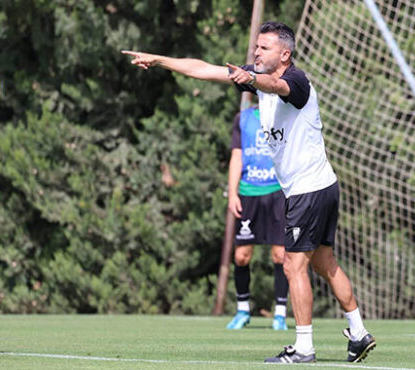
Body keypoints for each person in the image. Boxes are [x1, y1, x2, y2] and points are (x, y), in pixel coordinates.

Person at [123, 21, 375, 363]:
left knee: (292, 266)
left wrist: (254, 80)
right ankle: (358, 333)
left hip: (308, 190)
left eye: (264, 48)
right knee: (324, 263)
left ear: (285, 54)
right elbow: (205, 69)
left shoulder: (296, 81)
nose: (256, 52)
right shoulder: (257, 77)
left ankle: (303, 348)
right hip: (320, 187)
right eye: (256, 47)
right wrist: (160, 60)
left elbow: (276, 85)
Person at [226, 105, 289, 331]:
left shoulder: (284, 113)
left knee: (281, 255)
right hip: (249, 193)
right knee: (242, 256)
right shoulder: (242, 119)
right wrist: (232, 192)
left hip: (277, 192)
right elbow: (236, 157)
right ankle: (243, 310)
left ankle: (280, 315)